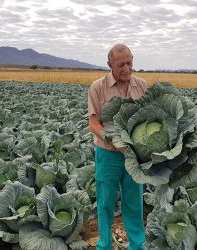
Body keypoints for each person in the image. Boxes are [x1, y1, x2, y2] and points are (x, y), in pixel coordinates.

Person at [87, 44, 147, 250]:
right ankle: (104, 244)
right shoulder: (98, 87)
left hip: (133, 155)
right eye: (121, 64)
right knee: (105, 203)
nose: (126, 68)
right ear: (109, 64)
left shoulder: (142, 86)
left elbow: (150, 118)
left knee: (134, 203)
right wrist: (108, 138)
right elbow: (93, 122)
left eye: (129, 63)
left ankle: (137, 246)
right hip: (108, 153)